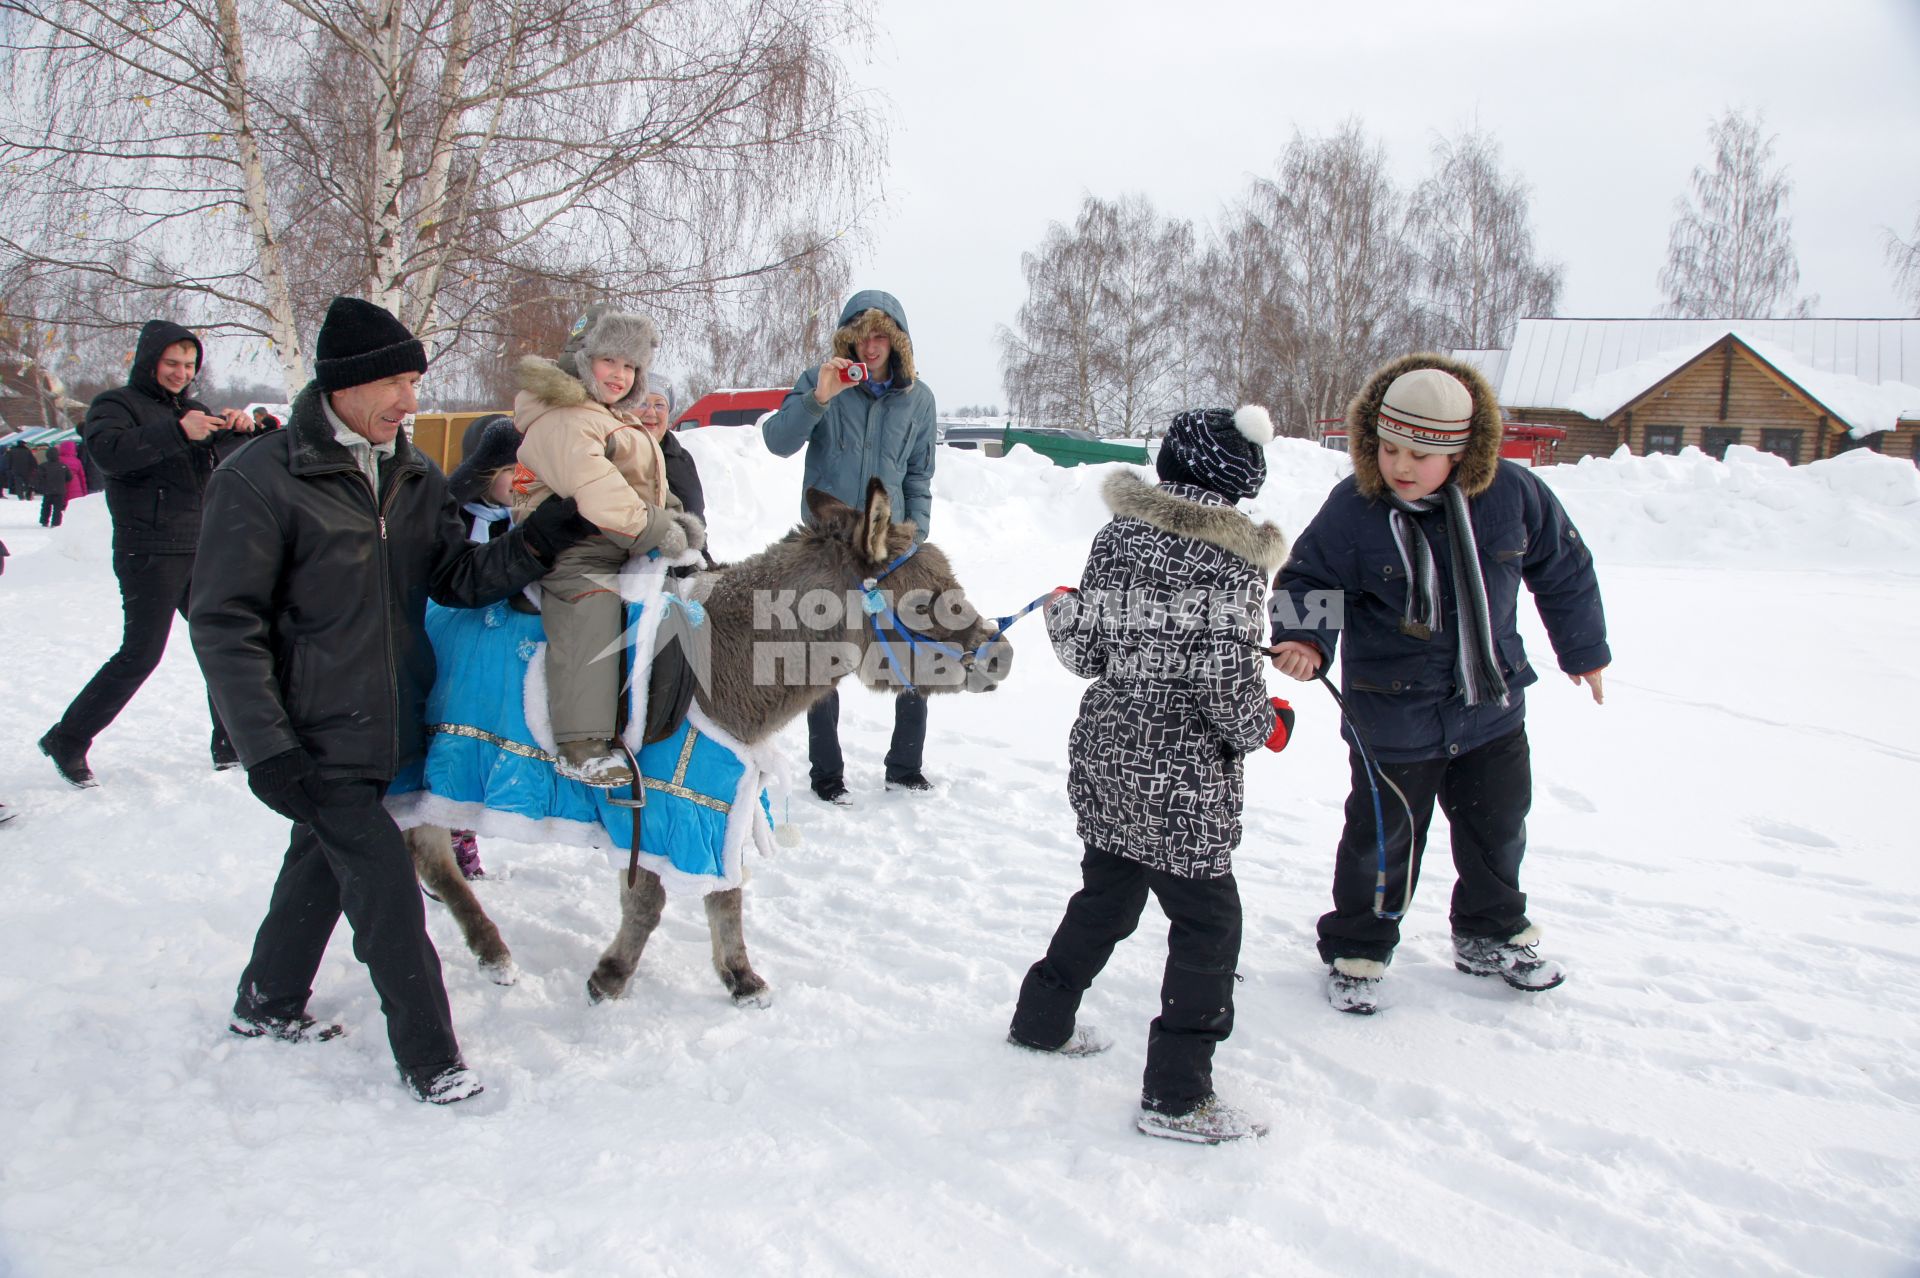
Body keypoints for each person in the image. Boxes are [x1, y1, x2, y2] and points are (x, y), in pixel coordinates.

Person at [189, 296, 598, 1104]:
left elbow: (454, 578)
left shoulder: (411, 475)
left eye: (415, 381)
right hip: (309, 729)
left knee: (320, 862)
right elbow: (224, 624)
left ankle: (266, 1001)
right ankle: (432, 1058)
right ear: (343, 384)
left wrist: (541, 537)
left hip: (391, 720)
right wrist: (266, 745)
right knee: (386, 896)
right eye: (397, 383)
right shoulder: (261, 479)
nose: (412, 401)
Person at [1268, 355, 1610, 1016]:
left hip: (1491, 703)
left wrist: (1584, 648)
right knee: (1381, 838)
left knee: (1497, 828)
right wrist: (1307, 639)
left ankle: (1490, 932)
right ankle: (1358, 947)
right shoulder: (1355, 509)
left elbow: (1563, 566)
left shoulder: (1514, 495)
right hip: (1391, 713)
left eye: (1420, 454)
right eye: (1389, 448)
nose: (1400, 466)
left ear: (1462, 451)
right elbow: (1309, 578)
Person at [1008, 406, 1293, 1145]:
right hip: (1184, 785)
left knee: (1107, 896)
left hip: (1108, 759)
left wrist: (1065, 616)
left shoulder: (1118, 536)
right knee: (1208, 927)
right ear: (1241, 480)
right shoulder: (1233, 563)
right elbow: (1229, 691)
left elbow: (1089, 657)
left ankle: (1041, 1021)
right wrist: (1269, 725)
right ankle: (1176, 1095)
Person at [37, 321, 256, 788]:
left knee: (224, 643)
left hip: (199, 547)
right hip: (149, 551)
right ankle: (68, 739)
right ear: (149, 360)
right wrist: (179, 431)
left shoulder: (192, 409)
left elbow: (227, 457)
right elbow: (108, 454)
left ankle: (231, 743)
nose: (181, 372)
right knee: (141, 654)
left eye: (189, 364)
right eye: (172, 363)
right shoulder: (115, 405)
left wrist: (245, 427)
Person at [510, 306, 702, 790]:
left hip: (622, 541)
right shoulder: (564, 416)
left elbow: (648, 483)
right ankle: (583, 744)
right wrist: (660, 529)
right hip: (573, 547)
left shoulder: (608, 416)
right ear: (582, 358)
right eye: (609, 361)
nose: (620, 375)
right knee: (589, 604)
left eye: (630, 366)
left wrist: (678, 518)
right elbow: (599, 491)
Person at [761, 289, 938, 804]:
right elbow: (777, 441)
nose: (871, 346)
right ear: (848, 340)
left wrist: (916, 531)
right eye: (861, 336)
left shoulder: (919, 399)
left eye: (881, 335)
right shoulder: (824, 382)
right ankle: (827, 775)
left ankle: (905, 767)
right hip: (830, 543)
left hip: (891, 545)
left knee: (911, 648)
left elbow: (921, 474)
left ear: (897, 341)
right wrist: (820, 397)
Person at [441, 413, 522, 880]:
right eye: (512, 470)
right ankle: (450, 834)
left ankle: (464, 824)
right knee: (454, 743)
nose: (522, 480)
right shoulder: (454, 518)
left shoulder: (519, 520)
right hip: (456, 650)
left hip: (499, 653)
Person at [33, 446, 72, 527]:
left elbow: (39, 478)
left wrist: (40, 487)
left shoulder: (43, 466)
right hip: (60, 490)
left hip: (48, 490)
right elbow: (69, 477)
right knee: (58, 508)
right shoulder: (63, 466)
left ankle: (44, 521)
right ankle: (56, 523)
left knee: (46, 506)